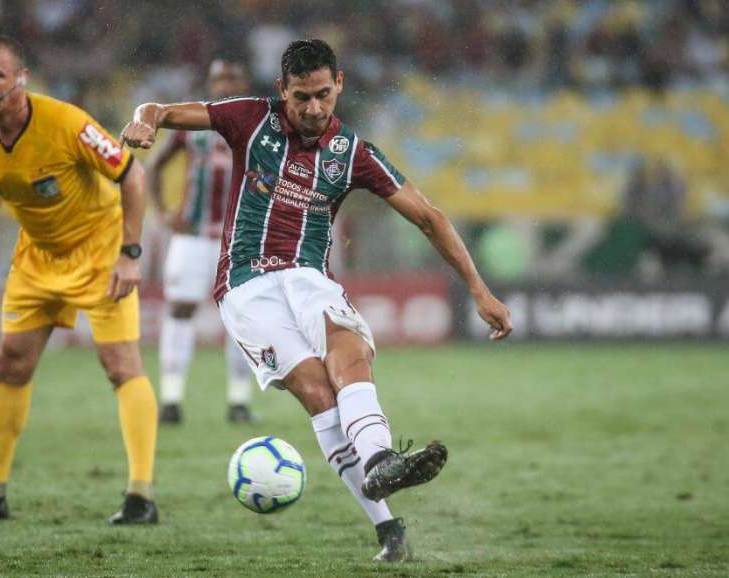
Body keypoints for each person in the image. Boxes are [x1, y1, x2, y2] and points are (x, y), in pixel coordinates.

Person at [121, 39, 512, 562]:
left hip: (310, 276)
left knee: (349, 350)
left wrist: (479, 290)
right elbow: (161, 110)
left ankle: (379, 461)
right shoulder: (249, 119)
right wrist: (144, 121)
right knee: (317, 392)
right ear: (282, 89)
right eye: (301, 96)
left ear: (339, 85)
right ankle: (388, 527)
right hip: (246, 283)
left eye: (323, 95)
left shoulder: (352, 152)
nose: (312, 108)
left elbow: (429, 216)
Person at [0, 34, 159, 525]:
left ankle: (141, 497)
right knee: (10, 363)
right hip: (37, 255)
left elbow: (132, 176)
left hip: (99, 251)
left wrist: (130, 254)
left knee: (120, 364)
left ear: (22, 79)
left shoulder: (68, 124)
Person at [147, 59, 256, 425]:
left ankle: (239, 401)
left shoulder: (258, 123)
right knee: (180, 309)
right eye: (218, 78)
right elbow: (155, 165)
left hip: (239, 239)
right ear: (210, 83)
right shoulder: (193, 124)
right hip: (192, 236)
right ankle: (171, 399)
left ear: (244, 82)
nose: (224, 84)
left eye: (231, 77)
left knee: (242, 316)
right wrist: (164, 212)